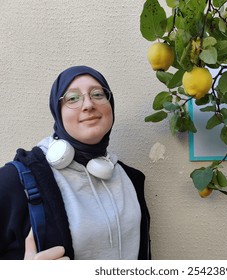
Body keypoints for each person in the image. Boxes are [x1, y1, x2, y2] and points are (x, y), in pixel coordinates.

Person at [0, 66, 151, 260]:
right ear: (57, 112)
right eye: (72, 98)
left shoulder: (132, 179)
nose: (88, 104)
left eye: (97, 94)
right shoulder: (15, 180)